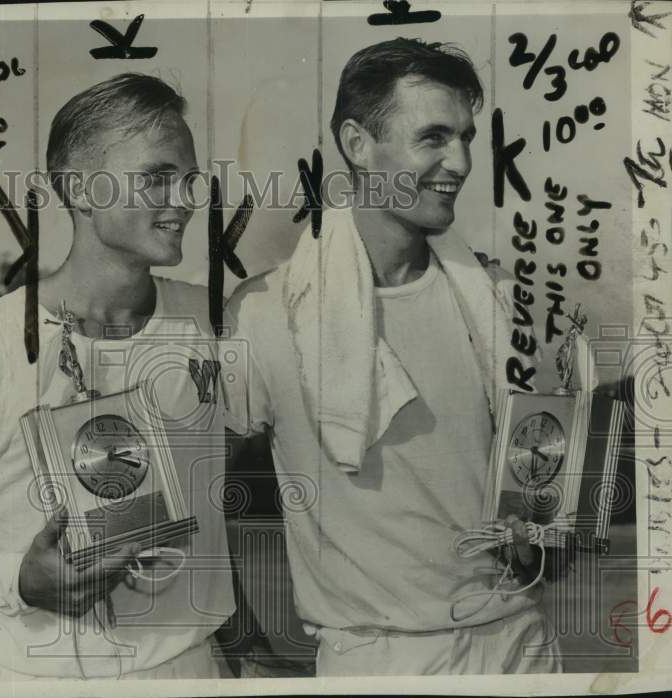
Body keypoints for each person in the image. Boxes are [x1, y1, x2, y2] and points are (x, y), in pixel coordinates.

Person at [0, 73, 238, 681]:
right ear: (80, 189)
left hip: (187, 668)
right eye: (157, 176)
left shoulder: (217, 324)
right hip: (30, 677)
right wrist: (12, 576)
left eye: (190, 177)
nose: (185, 198)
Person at [223, 38, 564, 675]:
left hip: (524, 645)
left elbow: (542, 499)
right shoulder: (265, 313)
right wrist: (243, 646)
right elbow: (193, 493)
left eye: (466, 137)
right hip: (377, 658)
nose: (460, 161)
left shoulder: (501, 302)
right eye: (433, 137)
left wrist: (541, 536)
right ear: (357, 145)